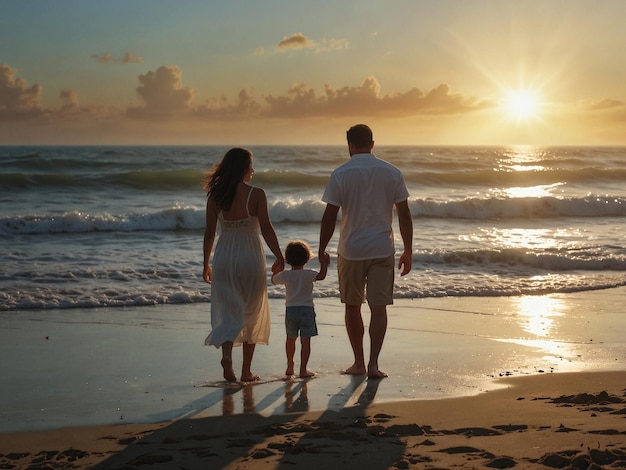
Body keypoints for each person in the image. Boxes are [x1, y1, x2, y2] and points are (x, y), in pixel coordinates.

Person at [319, 124, 413, 379]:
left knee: (352, 305)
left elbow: (329, 217)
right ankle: (373, 364)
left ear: (349, 145)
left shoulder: (340, 174)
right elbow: (404, 214)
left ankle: (358, 362)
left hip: (351, 249)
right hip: (383, 248)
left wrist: (321, 249)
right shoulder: (392, 172)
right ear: (373, 144)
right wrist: (408, 250)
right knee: (379, 306)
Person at [203, 147, 284, 382]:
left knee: (229, 311)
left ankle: (227, 355)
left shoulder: (215, 196)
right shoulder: (257, 194)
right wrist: (279, 255)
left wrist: (206, 263)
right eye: (251, 165)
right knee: (252, 311)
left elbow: (209, 233)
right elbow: (267, 228)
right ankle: (246, 371)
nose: (253, 169)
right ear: (244, 168)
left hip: (225, 255)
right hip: (250, 254)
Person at [271, 240, 330, 378]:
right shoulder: (308, 273)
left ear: (287, 259)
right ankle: (303, 369)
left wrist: (275, 271)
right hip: (307, 310)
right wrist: (324, 264)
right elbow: (321, 276)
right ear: (307, 257)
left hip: (290, 310)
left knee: (290, 339)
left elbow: (273, 280)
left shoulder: (285, 275)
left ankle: (290, 365)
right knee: (305, 341)